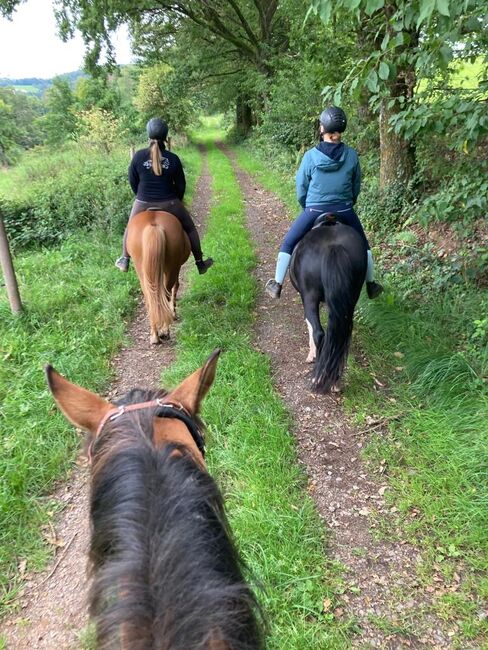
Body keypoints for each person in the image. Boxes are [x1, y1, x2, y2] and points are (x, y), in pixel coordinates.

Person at [265, 106, 383, 299]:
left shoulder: (310, 156)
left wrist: (307, 206)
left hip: (314, 209)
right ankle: (371, 285)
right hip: (344, 209)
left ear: (322, 129)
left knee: (287, 243)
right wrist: (348, 202)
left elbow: (301, 186)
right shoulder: (351, 155)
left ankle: (277, 284)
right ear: (340, 130)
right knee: (364, 246)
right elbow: (356, 186)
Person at [115, 118, 213, 274]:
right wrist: (177, 201)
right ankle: (200, 263)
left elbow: (133, 182)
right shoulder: (173, 158)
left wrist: (141, 197)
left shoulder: (138, 157)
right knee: (191, 228)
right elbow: (181, 185)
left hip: (142, 202)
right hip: (170, 203)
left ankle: (124, 259)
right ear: (166, 137)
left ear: (148, 136)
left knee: (130, 226)